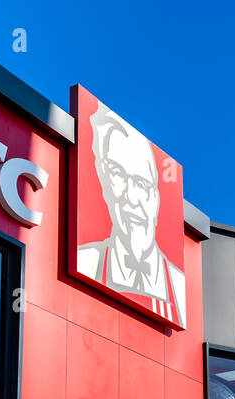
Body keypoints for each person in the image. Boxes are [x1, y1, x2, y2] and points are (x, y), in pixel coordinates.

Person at [76, 103, 186, 328]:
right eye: (118, 175)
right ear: (104, 183)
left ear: (156, 199)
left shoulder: (178, 285)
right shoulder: (86, 260)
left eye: (141, 183)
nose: (131, 197)